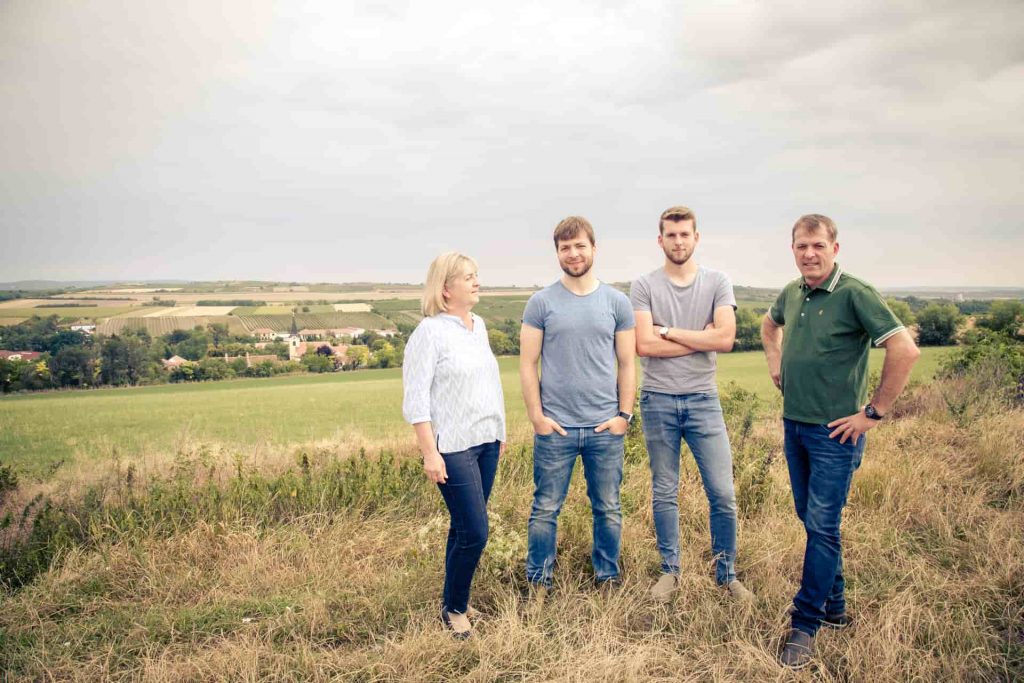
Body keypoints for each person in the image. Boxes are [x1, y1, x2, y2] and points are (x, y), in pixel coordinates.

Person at [760, 214, 919, 669]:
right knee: (813, 522)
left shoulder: (854, 293)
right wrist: (775, 364)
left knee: (822, 525)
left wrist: (873, 412)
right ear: (792, 249)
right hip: (794, 425)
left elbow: (905, 349)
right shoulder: (792, 292)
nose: (809, 254)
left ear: (834, 248)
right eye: (801, 246)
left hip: (835, 434)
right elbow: (769, 326)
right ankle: (835, 607)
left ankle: (805, 624)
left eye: (817, 245)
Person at [630, 205, 752, 602]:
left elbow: (725, 339)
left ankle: (727, 574)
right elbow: (644, 344)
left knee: (723, 492)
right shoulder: (644, 285)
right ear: (660, 240)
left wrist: (667, 331)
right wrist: (699, 338)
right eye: (671, 235)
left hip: (703, 399)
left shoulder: (717, 281)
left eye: (685, 234)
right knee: (665, 491)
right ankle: (670, 571)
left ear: (696, 238)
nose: (678, 241)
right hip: (658, 399)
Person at [520, 216, 636, 594]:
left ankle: (607, 577)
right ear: (557, 252)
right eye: (565, 247)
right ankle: (539, 582)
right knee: (545, 509)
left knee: (608, 508)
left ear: (594, 248)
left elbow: (627, 363)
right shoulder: (541, 303)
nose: (573, 254)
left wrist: (624, 416)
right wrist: (537, 418)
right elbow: (527, 363)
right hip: (556, 428)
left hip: (605, 427)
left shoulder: (617, 302)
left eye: (579, 246)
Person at [402, 252, 507, 639]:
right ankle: (456, 610)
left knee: (463, 528)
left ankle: (453, 599)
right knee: (476, 532)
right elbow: (416, 400)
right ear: (446, 288)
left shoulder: (478, 326)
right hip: (453, 447)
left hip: (487, 441)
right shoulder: (429, 333)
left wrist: (500, 430)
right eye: (468, 277)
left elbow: (489, 382)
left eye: (476, 275)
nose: (477, 281)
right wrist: (430, 453)